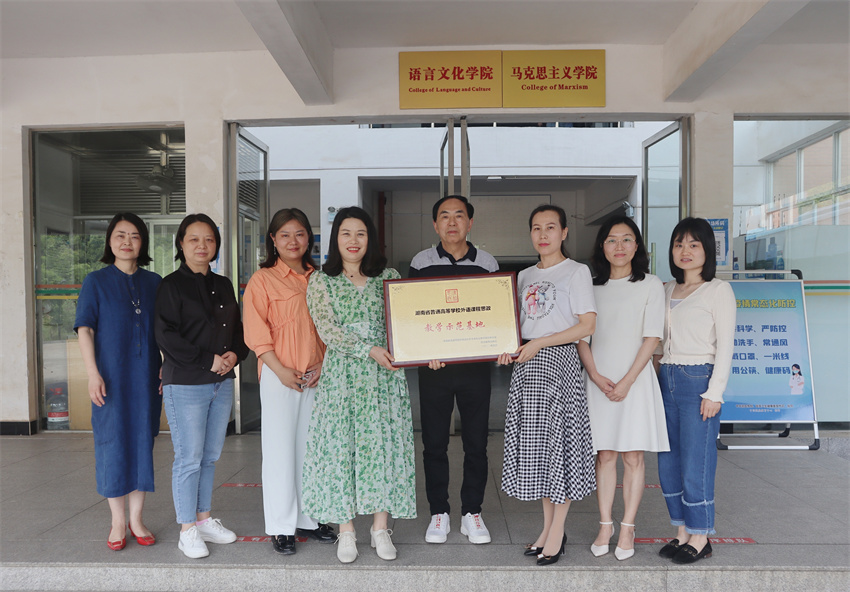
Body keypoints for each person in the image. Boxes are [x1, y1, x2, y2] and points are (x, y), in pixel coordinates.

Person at [302, 206, 416, 564]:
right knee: (342, 448)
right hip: (343, 378)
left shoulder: (389, 277)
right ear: (335, 239)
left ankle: (380, 528)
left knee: (383, 446)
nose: (353, 241)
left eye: (361, 234)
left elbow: (405, 322)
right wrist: (367, 349)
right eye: (346, 233)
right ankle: (347, 530)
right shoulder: (322, 280)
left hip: (384, 377)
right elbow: (327, 329)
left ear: (371, 239)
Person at [498, 204, 597, 566]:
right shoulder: (523, 276)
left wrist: (540, 343)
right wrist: (506, 348)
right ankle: (548, 528)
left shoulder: (577, 271)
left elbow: (587, 325)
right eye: (537, 228)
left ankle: (558, 531)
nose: (543, 234)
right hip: (528, 368)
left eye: (551, 227)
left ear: (564, 232)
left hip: (559, 364)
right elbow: (514, 327)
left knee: (560, 446)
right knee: (540, 450)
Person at [154, 213, 249, 559]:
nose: (202, 245)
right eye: (194, 239)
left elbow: (238, 330)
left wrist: (234, 355)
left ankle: (204, 519)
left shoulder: (223, 284)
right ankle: (187, 529)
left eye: (209, 239)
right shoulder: (170, 285)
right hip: (186, 383)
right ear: (181, 244)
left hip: (221, 383)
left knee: (209, 457)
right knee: (189, 458)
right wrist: (208, 360)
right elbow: (165, 336)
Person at [408, 195, 499, 545]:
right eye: (444, 216)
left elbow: (495, 313)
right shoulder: (421, 262)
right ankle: (440, 512)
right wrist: (422, 351)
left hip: (475, 368)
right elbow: (412, 314)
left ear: (469, 223)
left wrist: (499, 345)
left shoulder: (487, 263)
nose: (451, 222)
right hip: (435, 369)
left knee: (476, 443)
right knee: (434, 443)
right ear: (435, 225)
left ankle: (472, 512)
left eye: (459, 215)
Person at [243, 208, 334, 555]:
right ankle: (282, 527)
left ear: (309, 238)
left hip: (315, 377)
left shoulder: (320, 279)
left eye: (299, 234)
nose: (292, 241)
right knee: (280, 452)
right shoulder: (263, 280)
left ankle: (309, 519)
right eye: (284, 234)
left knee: (310, 452)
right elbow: (256, 333)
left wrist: (323, 364)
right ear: (273, 240)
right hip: (279, 376)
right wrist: (280, 371)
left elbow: (330, 329)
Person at [577, 216, 668, 561]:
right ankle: (605, 524)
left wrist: (627, 381)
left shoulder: (650, 284)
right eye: (612, 239)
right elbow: (582, 337)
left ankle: (628, 526)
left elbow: (652, 337)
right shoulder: (590, 287)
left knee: (632, 455)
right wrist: (595, 375)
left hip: (636, 380)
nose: (619, 246)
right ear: (602, 246)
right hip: (599, 380)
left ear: (637, 245)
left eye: (627, 239)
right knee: (604, 455)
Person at [75, 213, 162, 551]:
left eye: (135, 236)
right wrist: (92, 373)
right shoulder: (95, 281)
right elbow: (85, 329)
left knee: (142, 442)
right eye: (120, 235)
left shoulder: (154, 282)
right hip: (109, 378)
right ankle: (117, 520)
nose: (127, 242)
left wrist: (167, 367)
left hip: (146, 377)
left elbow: (165, 331)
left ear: (143, 243)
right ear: (110, 240)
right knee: (111, 444)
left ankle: (137, 519)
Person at [654, 217, 735, 564]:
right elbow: (658, 342)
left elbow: (727, 345)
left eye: (693, 244)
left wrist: (715, 393)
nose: (684, 251)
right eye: (678, 244)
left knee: (695, 462)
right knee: (668, 461)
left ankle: (701, 535)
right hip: (666, 377)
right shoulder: (665, 289)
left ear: (707, 250)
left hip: (698, 380)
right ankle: (682, 531)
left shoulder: (718, 290)